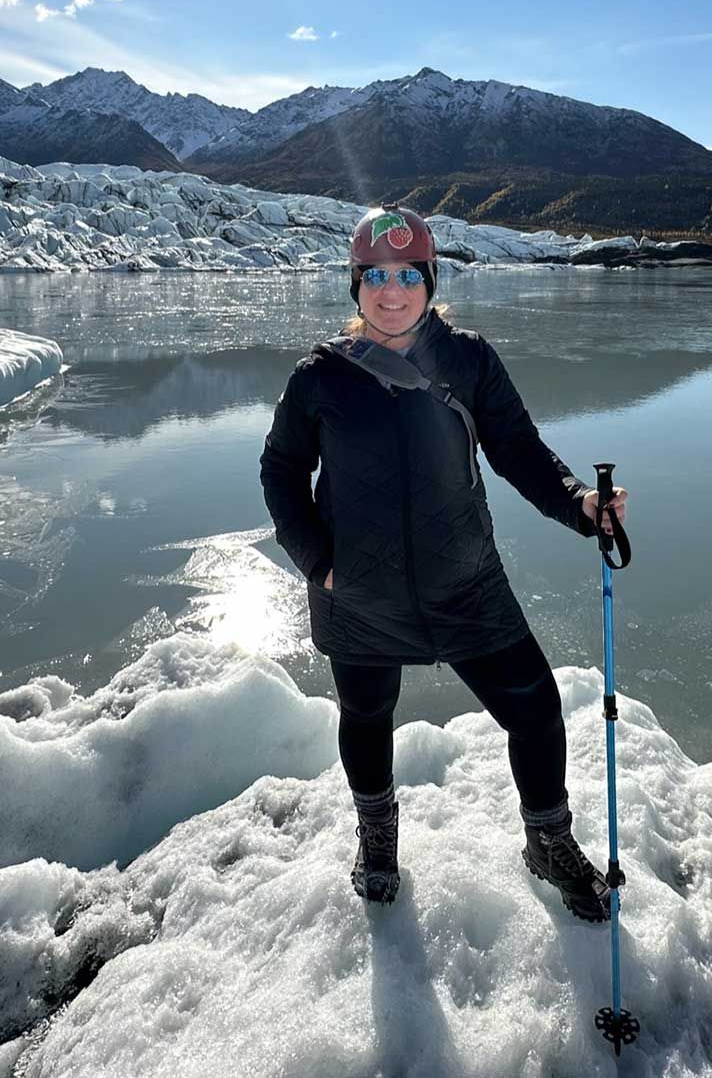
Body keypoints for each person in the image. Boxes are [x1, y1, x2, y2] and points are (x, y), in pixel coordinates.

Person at [260, 205, 628, 920]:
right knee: (366, 716)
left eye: (406, 276)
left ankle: (547, 841)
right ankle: (377, 838)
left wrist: (581, 503)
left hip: (466, 584)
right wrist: (319, 563)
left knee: (536, 709)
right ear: (355, 285)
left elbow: (519, 450)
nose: (390, 292)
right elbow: (280, 471)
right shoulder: (321, 377)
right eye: (374, 276)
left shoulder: (468, 360)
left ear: (429, 280)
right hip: (358, 592)